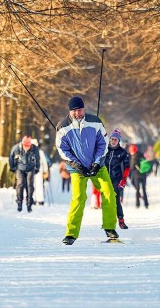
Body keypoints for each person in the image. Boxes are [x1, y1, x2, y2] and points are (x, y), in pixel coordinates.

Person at [56, 96, 118, 245]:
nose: (78, 113)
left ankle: (110, 227)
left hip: (97, 166)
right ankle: (71, 234)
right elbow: (62, 149)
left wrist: (96, 163)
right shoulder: (62, 126)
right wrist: (76, 165)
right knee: (78, 198)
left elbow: (102, 144)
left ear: (84, 109)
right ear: (70, 111)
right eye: (74, 111)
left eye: (80, 110)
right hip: (77, 169)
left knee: (109, 192)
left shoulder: (95, 122)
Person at [103, 129, 131, 229]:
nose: (113, 141)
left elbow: (127, 167)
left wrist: (123, 180)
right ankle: (107, 221)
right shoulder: (105, 150)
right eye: (112, 139)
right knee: (106, 200)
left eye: (115, 139)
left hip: (116, 179)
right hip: (105, 178)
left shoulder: (122, 152)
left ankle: (121, 221)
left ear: (118, 141)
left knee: (115, 200)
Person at [9, 135, 40, 212]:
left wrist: (37, 168)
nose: (26, 147)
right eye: (25, 145)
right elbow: (11, 157)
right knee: (20, 184)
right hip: (20, 168)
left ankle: (29, 203)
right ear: (22, 144)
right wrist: (12, 167)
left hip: (30, 168)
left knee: (30, 185)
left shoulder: (34, 149)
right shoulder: (16, 148)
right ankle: (19, 202)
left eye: (28, 145)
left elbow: (38, 159)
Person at [129, 144, 149, 208]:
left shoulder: (134, 157)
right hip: (144, 175)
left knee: (137, 190)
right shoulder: (141, 155)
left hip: (137, 176)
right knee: (144, 189)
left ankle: (137, 204)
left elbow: (132, 168)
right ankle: (146, 204)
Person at [31, 138, 49, 206]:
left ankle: (40, 200)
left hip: (38, 171)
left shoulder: (40, 152)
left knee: (39, 185)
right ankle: (34, 199)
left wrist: (45, 171)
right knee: (33, 185)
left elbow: (44, 162)